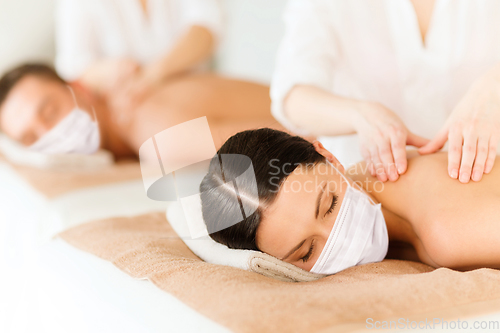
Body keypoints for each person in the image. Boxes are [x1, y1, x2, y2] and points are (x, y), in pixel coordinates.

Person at [200, 128, 500, 275]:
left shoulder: (446, 231)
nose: (339, 237)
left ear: (330, 157)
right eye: (306, 252)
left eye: (329, 205)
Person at [271, 0, 500, 185]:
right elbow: (293, 95)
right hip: (371, 192)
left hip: (485, 180)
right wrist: (360, 115)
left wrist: (492, 86)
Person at [0, 64, 283, 158]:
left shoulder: (156, 135)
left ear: (79, 88)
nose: (51, 134)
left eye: (50, 112)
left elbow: (298, 141)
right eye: (31, 138)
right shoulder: (129, 142)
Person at [55, 0, 222, 112]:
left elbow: (208, 25)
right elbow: (73, 67)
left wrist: (151, 76)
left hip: (196, 98)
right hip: (129, 112)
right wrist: (113, 70)